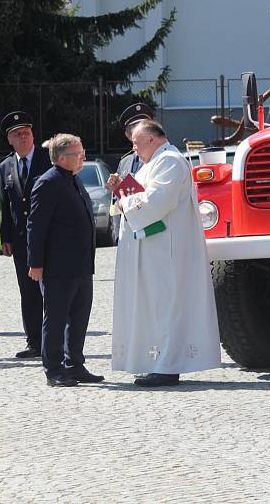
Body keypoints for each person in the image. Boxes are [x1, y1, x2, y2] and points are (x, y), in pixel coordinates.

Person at [108, 119, 220, 387]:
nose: (133, 148)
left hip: (165, 253)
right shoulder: (153, 163)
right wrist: (121, 189)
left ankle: (168, 366)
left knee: (165, 305)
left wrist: (124, 200)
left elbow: (157, 201)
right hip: (152, 251)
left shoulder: (169, 161)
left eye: (136, 142)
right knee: (153, 306)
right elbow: (143, 194)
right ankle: (156, 361)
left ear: (151, 139)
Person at [27, 133, 102, 387]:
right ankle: (54, 369)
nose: (82, 157)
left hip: (81, 265)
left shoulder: (73, 179)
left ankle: (75, 365)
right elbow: (36, 226)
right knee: (56, 318)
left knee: (79, 317)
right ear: (61, 158)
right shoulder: (48, 182)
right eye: (77, 154)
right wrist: (35, 263)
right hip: (57, 266)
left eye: (82, 153)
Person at [0, 112, 51, 358]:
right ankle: (34, 341)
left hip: (49, 236)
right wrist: (5, 237)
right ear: (9, 139)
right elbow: (6, 205)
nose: (23, 137)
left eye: (27, 132)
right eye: (18, 134)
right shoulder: (5, 166)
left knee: (52, 289)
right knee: (27, 292)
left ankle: (54, 341)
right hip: (21, 240)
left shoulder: (47, 159)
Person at [111, 103, 154, 244]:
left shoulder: (158, 158)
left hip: (151, 232)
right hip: (127, 235)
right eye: (135, 130)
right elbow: (116, 202)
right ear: (129, 135)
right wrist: (117, 233)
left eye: (144, 127)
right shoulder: (124, 162)